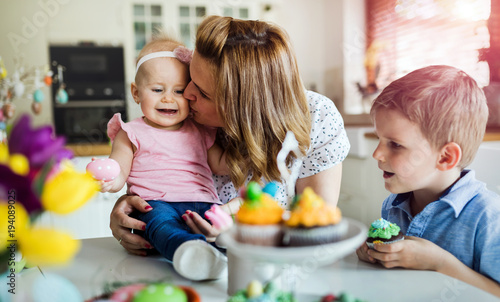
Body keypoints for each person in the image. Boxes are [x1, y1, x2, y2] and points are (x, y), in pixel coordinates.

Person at [110, 15, 350, 280]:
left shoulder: (317, 118)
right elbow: (154, 169)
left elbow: (315, 229)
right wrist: (129, 206)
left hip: (273, 277)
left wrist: (232, 232)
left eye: (202, 92)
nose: (186, 94)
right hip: (172, 270)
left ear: (240, 106)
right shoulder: (183, 116)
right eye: (190, 78)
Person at [356, 65, 500, 297]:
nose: (377, 154)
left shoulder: (489, 218)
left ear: (445, 157)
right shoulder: (393, 207)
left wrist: (440, 264)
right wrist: (376, 255)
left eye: (395, 144)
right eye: (378, 139)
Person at [102, 31, 229, 280]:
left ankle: (218, 255)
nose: (169, 98)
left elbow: (220, 165)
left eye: (179, 91)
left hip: (204, 201)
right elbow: (119, 170)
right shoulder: (130, 132)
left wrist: (250, 156)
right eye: (158, 89)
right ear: (137, 93)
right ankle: (188, 251)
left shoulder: (201, 129)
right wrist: (108, 179)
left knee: (220, 226)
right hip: (156, 203)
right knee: (161, 226)